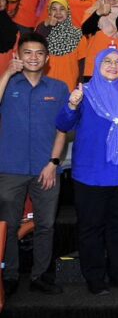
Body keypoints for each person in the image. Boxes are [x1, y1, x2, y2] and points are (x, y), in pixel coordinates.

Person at [56, 48, 118, 295]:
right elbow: (63, 124)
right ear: (97, 65)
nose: (113, 65)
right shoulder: (84, 93)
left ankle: (117, 273)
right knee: (90, 227)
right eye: (107, 61)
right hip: (90, 173)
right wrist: (71, 105)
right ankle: (94, 277)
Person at [0, 34, 69, 296]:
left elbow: (63, 129)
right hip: (10, 166)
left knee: (46, 224)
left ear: (47, 58)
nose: (33, 57)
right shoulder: (8, 83)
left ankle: (40, 276)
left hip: (46, 167)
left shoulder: (59, 88)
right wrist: (8, 72)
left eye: (39, 53)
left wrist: (53, 162)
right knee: (8, 225)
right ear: (18, 55)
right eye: (27, 52)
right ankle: (9, 275)